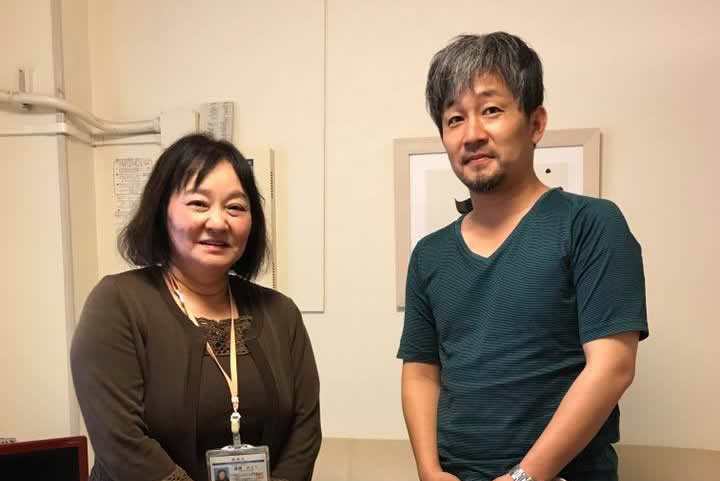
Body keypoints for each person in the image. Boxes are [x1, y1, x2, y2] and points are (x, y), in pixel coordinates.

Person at [397, 32, 648, 481]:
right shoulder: (429, 254)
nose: (472, 134)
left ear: (535, 123)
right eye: (455, 118)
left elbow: (612, 367)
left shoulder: (590, 224)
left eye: (491, 110)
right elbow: (420, 372)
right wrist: (429, 471)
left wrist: (524, 476)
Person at [71, 133, 321, 481]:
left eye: (235, 207)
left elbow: (304, 433)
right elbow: (121, 442)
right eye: (199, 204)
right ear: (162, 210)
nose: (218, 222)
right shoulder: (117, 303)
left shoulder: (282, 313)